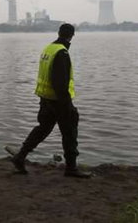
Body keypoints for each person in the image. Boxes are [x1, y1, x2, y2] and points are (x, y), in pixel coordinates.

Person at [10, 23, 92, 178]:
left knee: (43, 128)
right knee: (69, 132)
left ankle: (20, 157)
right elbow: (60, 82)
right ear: (72, 35)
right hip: (57, 100)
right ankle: (71, 168)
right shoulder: (62, 53)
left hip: (45, 98)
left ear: (59, 33)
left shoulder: (48, 48)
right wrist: (67, 105)